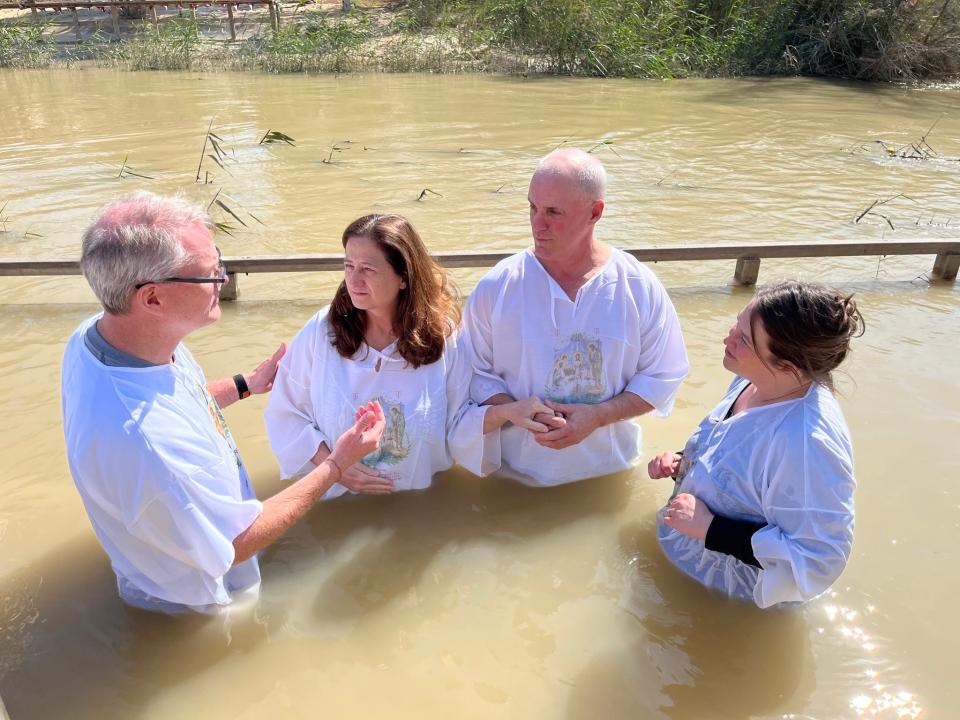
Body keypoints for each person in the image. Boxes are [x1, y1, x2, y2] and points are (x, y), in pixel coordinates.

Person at [61, 192, 386, 614]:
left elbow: (171, 398)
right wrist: (337, 465)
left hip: (173, 537)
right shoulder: (151, 446)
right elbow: (235, 543)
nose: (223, 281)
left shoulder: (100, 336)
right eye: (210, 274)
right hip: (199, 599)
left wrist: (244, 385)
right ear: (153, 298)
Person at [264, 213, 554, 500]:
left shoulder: (443, 338)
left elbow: (457, 425)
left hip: (418, 504)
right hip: (337, 501)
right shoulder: (322, 331)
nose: (353, 279)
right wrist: (335, 467)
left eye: (368, 268)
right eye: (348, 266)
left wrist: (506, 413)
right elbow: (286, 413)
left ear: (403, 277)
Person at [463, 148, 689, 486]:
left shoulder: (638, 285)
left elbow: (663, 375)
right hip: (515, 476)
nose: (538, 224)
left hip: (610, 473)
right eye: (532, 207)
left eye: (553, 212)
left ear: (595, 212)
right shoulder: (498, 286)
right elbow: (471, 371)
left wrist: (599, 416)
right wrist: (517, 410)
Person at [649, 281, 864, 608]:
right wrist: (683, 463)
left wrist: (711, 529)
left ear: (787, 367)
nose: (728, 338)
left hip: (727, 596)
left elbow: (819, 560)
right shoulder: (753, 377)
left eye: (744, 339)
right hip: (681, 553)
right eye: (737, 324)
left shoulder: (808, 443)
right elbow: (734, 449)